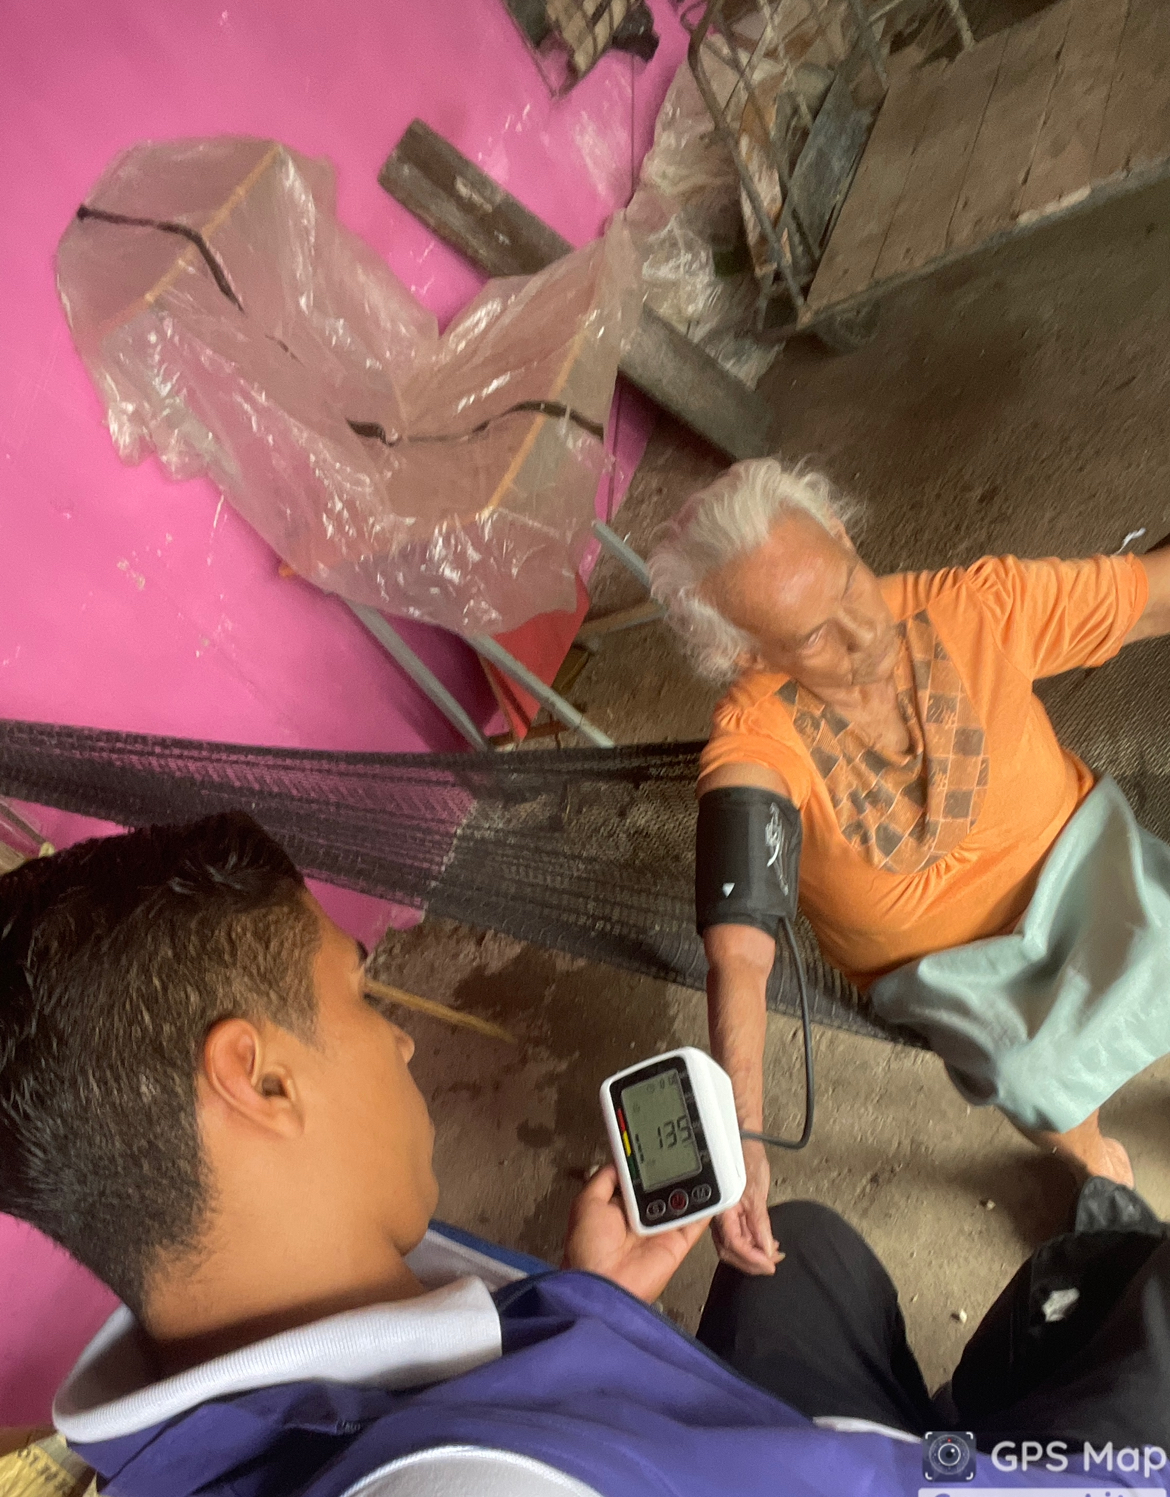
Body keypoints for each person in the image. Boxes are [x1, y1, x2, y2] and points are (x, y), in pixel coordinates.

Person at [3, 814, 1169, 1495]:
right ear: (260, 1080)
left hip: (770, 1441)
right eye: (359, 996)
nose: (400, 1039)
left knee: (802, 1250)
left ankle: (1002, 1378)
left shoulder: (231, 1359)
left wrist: (583, 1307)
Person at [648, 459, 1170, 1277]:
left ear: (842, 535)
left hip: (1089, 865)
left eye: (847, 584)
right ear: (745, 652)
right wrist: (741, 1132)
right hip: (955, 976)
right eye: (810, 635)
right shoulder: (755, 737)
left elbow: (1150, 595)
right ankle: (1089, 1151)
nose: (862, 633)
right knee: (1029, 1069)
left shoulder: (971, 607)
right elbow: (740, 944)